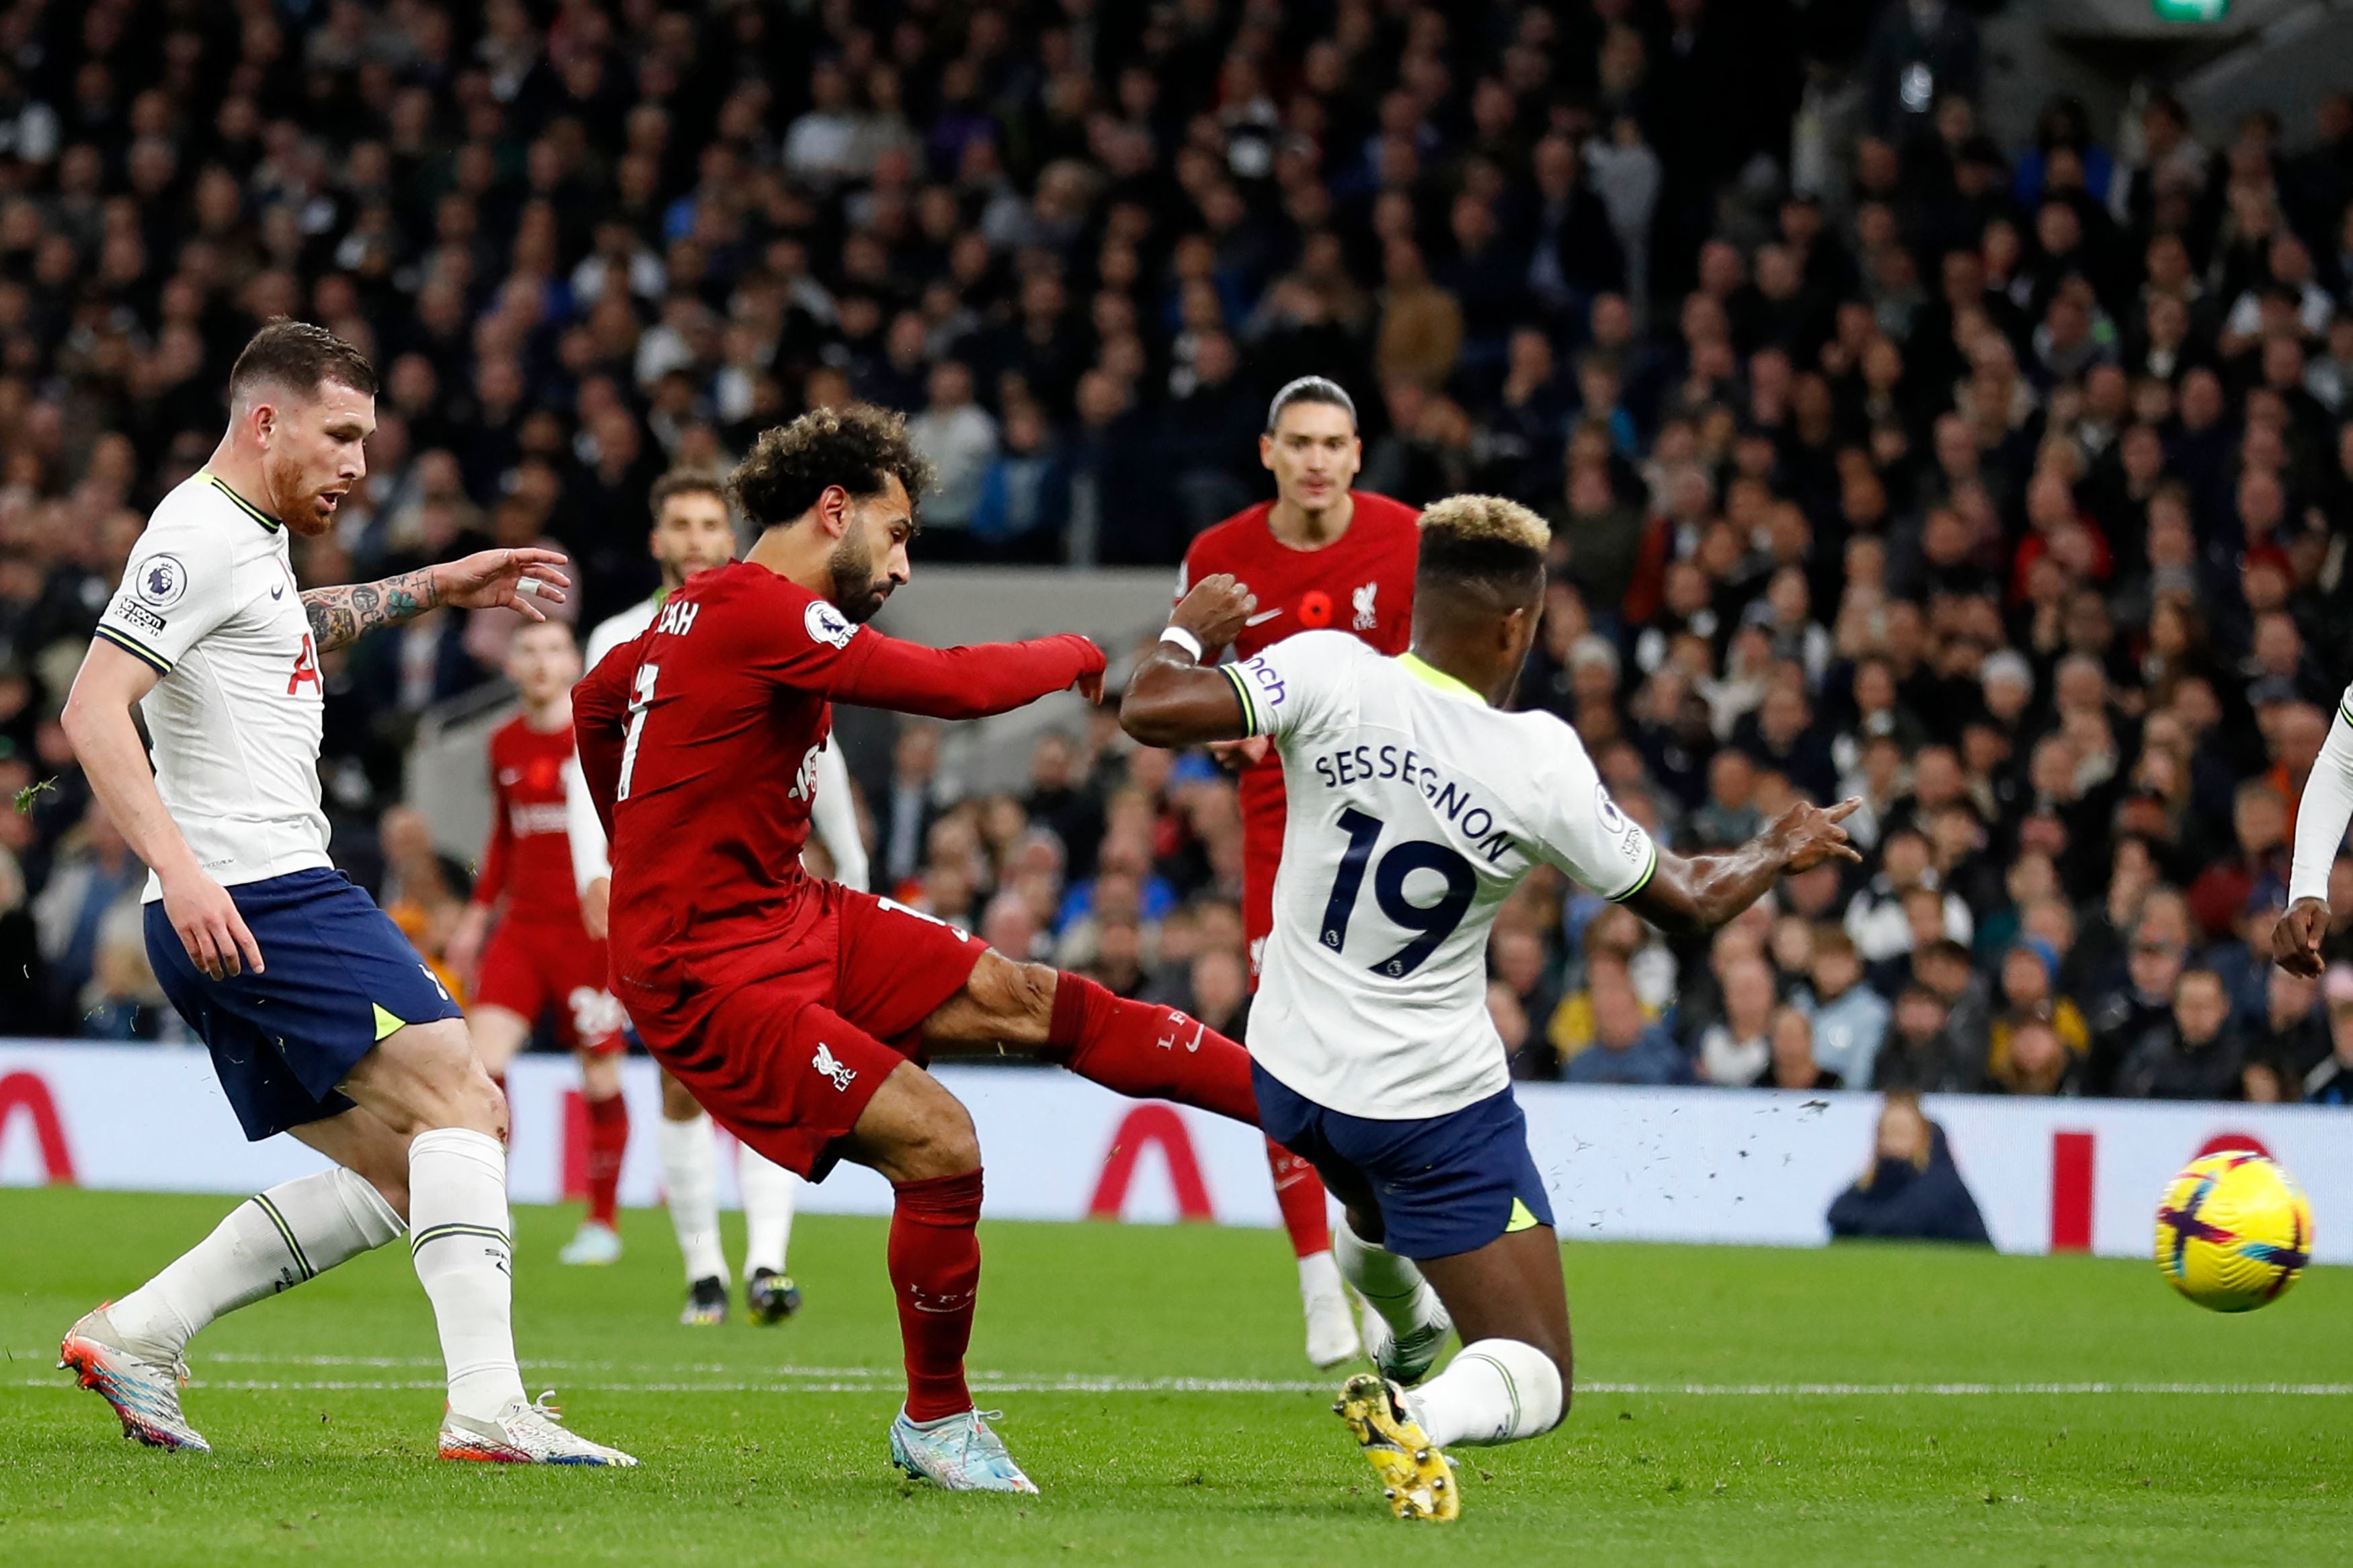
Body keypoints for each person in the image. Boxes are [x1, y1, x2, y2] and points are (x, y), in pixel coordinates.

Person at [1119, 494, 1858, 1520]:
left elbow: (1151, 705)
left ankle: (1407, 1327)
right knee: (1539, 1369)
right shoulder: (1537, 760)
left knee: (1368, 1206)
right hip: (1426, 1102)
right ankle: (1420, 1412)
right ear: (1519, 625)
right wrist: (1780, 844)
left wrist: (1186, 632)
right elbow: (1687, 902)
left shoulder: (1330, 668)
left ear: (1419, 603)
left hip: (1287, 1073)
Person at [571, 405, 1267, 1494]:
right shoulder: (760, 610)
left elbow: (593, 706)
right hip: (709, 971)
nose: (900, 565)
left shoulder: (679, 619)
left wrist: (640, 851)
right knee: (941, 1139)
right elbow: (949, 687)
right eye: (896, 535)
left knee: (1025, 992)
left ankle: (1305, 1111)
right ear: (833, 509)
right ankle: (936, 1420)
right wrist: (1085, 646)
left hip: (787, 912)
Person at [55, 321, 631, 1464]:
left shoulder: (249, 538)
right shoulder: (198, 533)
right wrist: (179, 867)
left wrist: (435, 585)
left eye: (368, 438)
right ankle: (487, 1409)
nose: (361, 461)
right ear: (267, 421)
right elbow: (90, 706)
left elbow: (283, 634)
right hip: (262, 892)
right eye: (343, 434)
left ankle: (138, 1331)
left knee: (406, 1162)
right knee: (464, 1098)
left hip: (235, 903)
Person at [561, 470, 864, 1326]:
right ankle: (705, 1271)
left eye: (708, 524)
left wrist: (855, 862)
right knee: (685, 1082)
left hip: (764, 889)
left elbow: (822, 752)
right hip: (666, 895)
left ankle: (767, 1261)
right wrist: (597, 869)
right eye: (679, 524)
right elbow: (587, 749)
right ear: (657, 540)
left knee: (778, 1066)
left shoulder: (772, 615)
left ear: (727, 538)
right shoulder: (621, 634)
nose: (696, 538)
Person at [1174, 376, 1424, 1369]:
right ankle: (1318, 1276)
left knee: (1383, 1047)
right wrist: (1224, 741)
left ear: (1359, 454)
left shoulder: (1410, 540)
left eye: (1336, 443)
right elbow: (1185, 687)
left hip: (1401, 819)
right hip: (1284, 821)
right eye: (1301, 443)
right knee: (1284, 1044)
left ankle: (1381, 1257)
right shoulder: (1221, 556)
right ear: (1269, 453)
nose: (1318, 460)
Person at [445, 619, 632, 1268]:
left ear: (575, 659)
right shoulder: (504, 744)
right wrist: (476, 917)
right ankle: (491, 1209)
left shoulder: (602, 743)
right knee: (483, 1068)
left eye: (555, 650)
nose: (543, 662)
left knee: (601, 1074)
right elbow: (504, 839)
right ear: (512, 666)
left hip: (590, 933)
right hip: (522, 930)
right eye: (529, 650)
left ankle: (603, 1222)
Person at [1826, 1094, 1989, 1245]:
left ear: (1922, 1138)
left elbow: (1909, 1219)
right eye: (1888, 1132)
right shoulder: (1871, 1184)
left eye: (1902, 1132)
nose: (1893, 1141)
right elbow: (1838, 1214)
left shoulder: (1943, 1186)